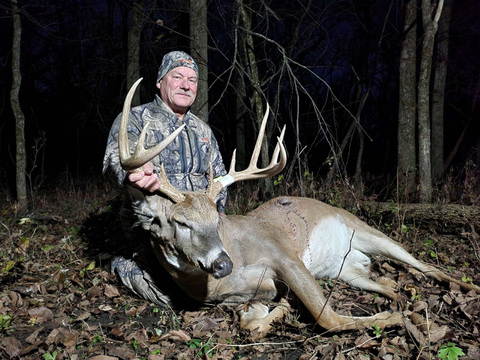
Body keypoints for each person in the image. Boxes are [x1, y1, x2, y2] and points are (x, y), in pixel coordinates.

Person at [102, 51, 227, 305]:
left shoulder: (202, 130)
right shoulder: (137, 119)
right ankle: (121, 263)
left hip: (199, 228)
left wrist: (220, 212)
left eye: (192, 80)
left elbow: (220, 177)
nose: (185, 84)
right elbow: (112, 163)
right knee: (176, 298)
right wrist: (132, 175)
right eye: (178, 76)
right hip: (155, 228)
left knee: (224, 283)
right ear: (160, 81)